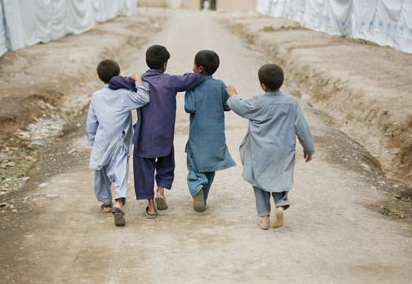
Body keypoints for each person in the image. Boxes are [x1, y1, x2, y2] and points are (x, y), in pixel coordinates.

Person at [111, 45, 204, 219]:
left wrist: (134, 78)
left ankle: (151, 207)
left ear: (147, 62)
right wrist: (199, 70)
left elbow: (114, 81)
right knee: (166, 164)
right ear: (165, 65)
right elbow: (192, 79)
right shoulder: (171, 81)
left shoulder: (140, 82)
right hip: (165, 135)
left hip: (144, 136)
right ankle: (161, 190)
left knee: (144, 170)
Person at [225, 64, 315, 230]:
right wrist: (308, 148)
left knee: (259, 181)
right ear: (281, 83)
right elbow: (302, 128)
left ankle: (264, 217)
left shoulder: (257, 102)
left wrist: (233, 95)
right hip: (283, 150)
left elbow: (239, 107)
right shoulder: (291, 103)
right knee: (280, 177)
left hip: (260, 151)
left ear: (262, 85)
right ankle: (280, 205)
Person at [86, 59, 149, 227]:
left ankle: (106, 202)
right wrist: (138, 81)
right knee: (120, 168)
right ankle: (119, 202)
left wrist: (91, 139)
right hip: (119, 138)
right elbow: (144, 98)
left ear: (99, 76)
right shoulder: (124, 94)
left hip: (102, 139)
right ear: (118, 75)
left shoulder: (96, 96)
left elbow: (91, 121)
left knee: (100, 170)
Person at [184, 50, 235, 212]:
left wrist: (188, 92)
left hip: (198, 136)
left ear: (199, 68)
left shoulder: (193, 85)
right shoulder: (220, 85)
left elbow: (189, 107)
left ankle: (197, 187)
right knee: (210, 168)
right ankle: (203, 197)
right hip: (216, 138)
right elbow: (228, 105)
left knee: (194, 165)